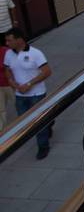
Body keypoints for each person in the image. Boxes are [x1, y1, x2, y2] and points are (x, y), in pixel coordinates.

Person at [4, 28, 52, 159]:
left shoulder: (36, 53)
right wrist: (15, 85)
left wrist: (29, 84)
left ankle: (43, 146)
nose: (7, 43)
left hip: (37, 94)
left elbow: (47, 72)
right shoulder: (8, 54)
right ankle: (49, 122)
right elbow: (7, 71)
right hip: (20, 96)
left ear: (19, 40)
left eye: (9, 40)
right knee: (25, 121)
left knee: (38, 122)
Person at [0, 43, 14, 131]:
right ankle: (2, 131)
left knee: (19, 104)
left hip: (10, 84)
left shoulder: (6, 51)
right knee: (1, 109)